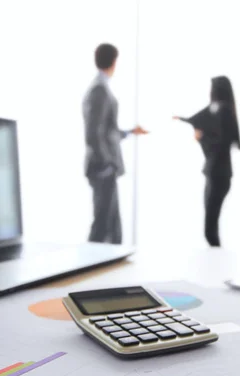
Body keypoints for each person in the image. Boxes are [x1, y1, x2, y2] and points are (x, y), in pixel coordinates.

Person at [83, 43, 148, 244]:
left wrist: (129, 132)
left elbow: (107, 132)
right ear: (113, 62)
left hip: (105, 167)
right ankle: (87, 268)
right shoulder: (99, 91)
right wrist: (108, 163)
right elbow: (93, 134)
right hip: (102, 168)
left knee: (112, 225)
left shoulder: (100, 89)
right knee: (103, 224)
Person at [174, 76, 240, 247]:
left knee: (210, 229)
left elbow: (221, 143)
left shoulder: (223, 111)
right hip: (214, 173)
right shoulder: (217, 110)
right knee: (210, 228)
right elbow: (198, 118)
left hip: (219, 174)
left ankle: (218, 265)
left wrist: (202, 138)